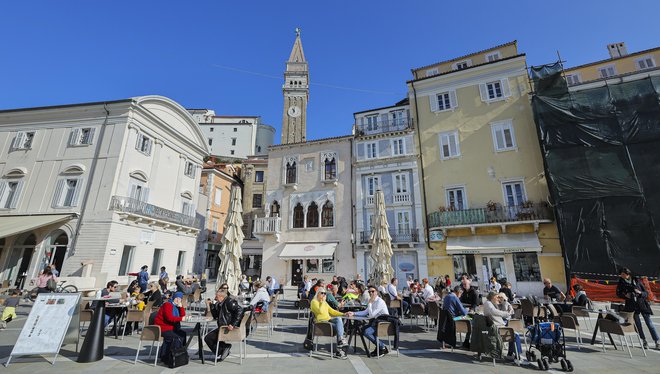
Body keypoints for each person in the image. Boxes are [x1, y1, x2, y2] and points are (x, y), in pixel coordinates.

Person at [616, 267, 659, 350]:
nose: (621, 275)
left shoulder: (637, 281)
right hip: (632, 306)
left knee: (650, 324)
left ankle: (657, 341)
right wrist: (625, 295)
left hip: (642, 305)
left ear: (627, 274)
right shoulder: (621, 282)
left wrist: (640, 293)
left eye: (623, 274)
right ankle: (644, 341)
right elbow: (618, 293)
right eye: (621, 274)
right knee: (638, 325)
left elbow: (646, 293)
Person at [204, 289, 244, 361]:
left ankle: (223, 349)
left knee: (208, 338)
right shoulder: (221, 304)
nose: (215, 298)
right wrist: (210, 305)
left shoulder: (229, 301)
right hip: (223, 328)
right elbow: (215, 316)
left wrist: (232, 324)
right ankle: (224, 348)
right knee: (210, 337)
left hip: (227, 328)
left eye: (216, 296)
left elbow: (240, 310)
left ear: (221, 297)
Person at [310, 287, 348, 359]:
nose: (324, 295)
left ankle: (340, 340)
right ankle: (339, 350)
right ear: (318, 293)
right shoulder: (314, 302)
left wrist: (343, 314)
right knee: (339, 327)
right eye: (322, 293)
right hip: (321, 324)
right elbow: (320, 311)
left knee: (338, 319)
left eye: (325, 293)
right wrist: (321, 302)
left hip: (328, 321)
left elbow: (332, 311)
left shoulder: (324, 302)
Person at [353, 285, 390, 357]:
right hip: (376, 323)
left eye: (373, 291)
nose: (371, 293)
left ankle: (382, 347)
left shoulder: (380, 302)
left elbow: (371, 315)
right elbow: (365, 312)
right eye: (369, 292)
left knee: (367, 332)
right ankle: (379, 347)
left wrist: (369, 303)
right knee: (362, 329)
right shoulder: (372, 301)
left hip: (383, 324)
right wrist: (353, 313)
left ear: (377, 292)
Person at [484, 292, 520, 359]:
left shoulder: (491, 303)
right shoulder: (489, 304)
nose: (498, 299)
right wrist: (507, 314)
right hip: (497, 328)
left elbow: (501, 309)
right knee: (515, 335)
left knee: (513, 333)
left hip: (496, 326)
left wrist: (504, 301)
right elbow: (495, 312)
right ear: (493, 297)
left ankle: (511, 354)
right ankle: (517, 356)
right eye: (497, 297)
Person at [154, 291, 187, 361]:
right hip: (162, 327)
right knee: (177, 337)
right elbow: (169, 318)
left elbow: (183, 315)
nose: (178, 300)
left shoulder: (176, 306)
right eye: (177, 298)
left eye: (180, 298)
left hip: (171, 327)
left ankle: (179, 353)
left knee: (183, 334)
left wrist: (181, 307)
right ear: (174, 297)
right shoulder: (168, 305)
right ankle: (169, 356)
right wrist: (181, 318)